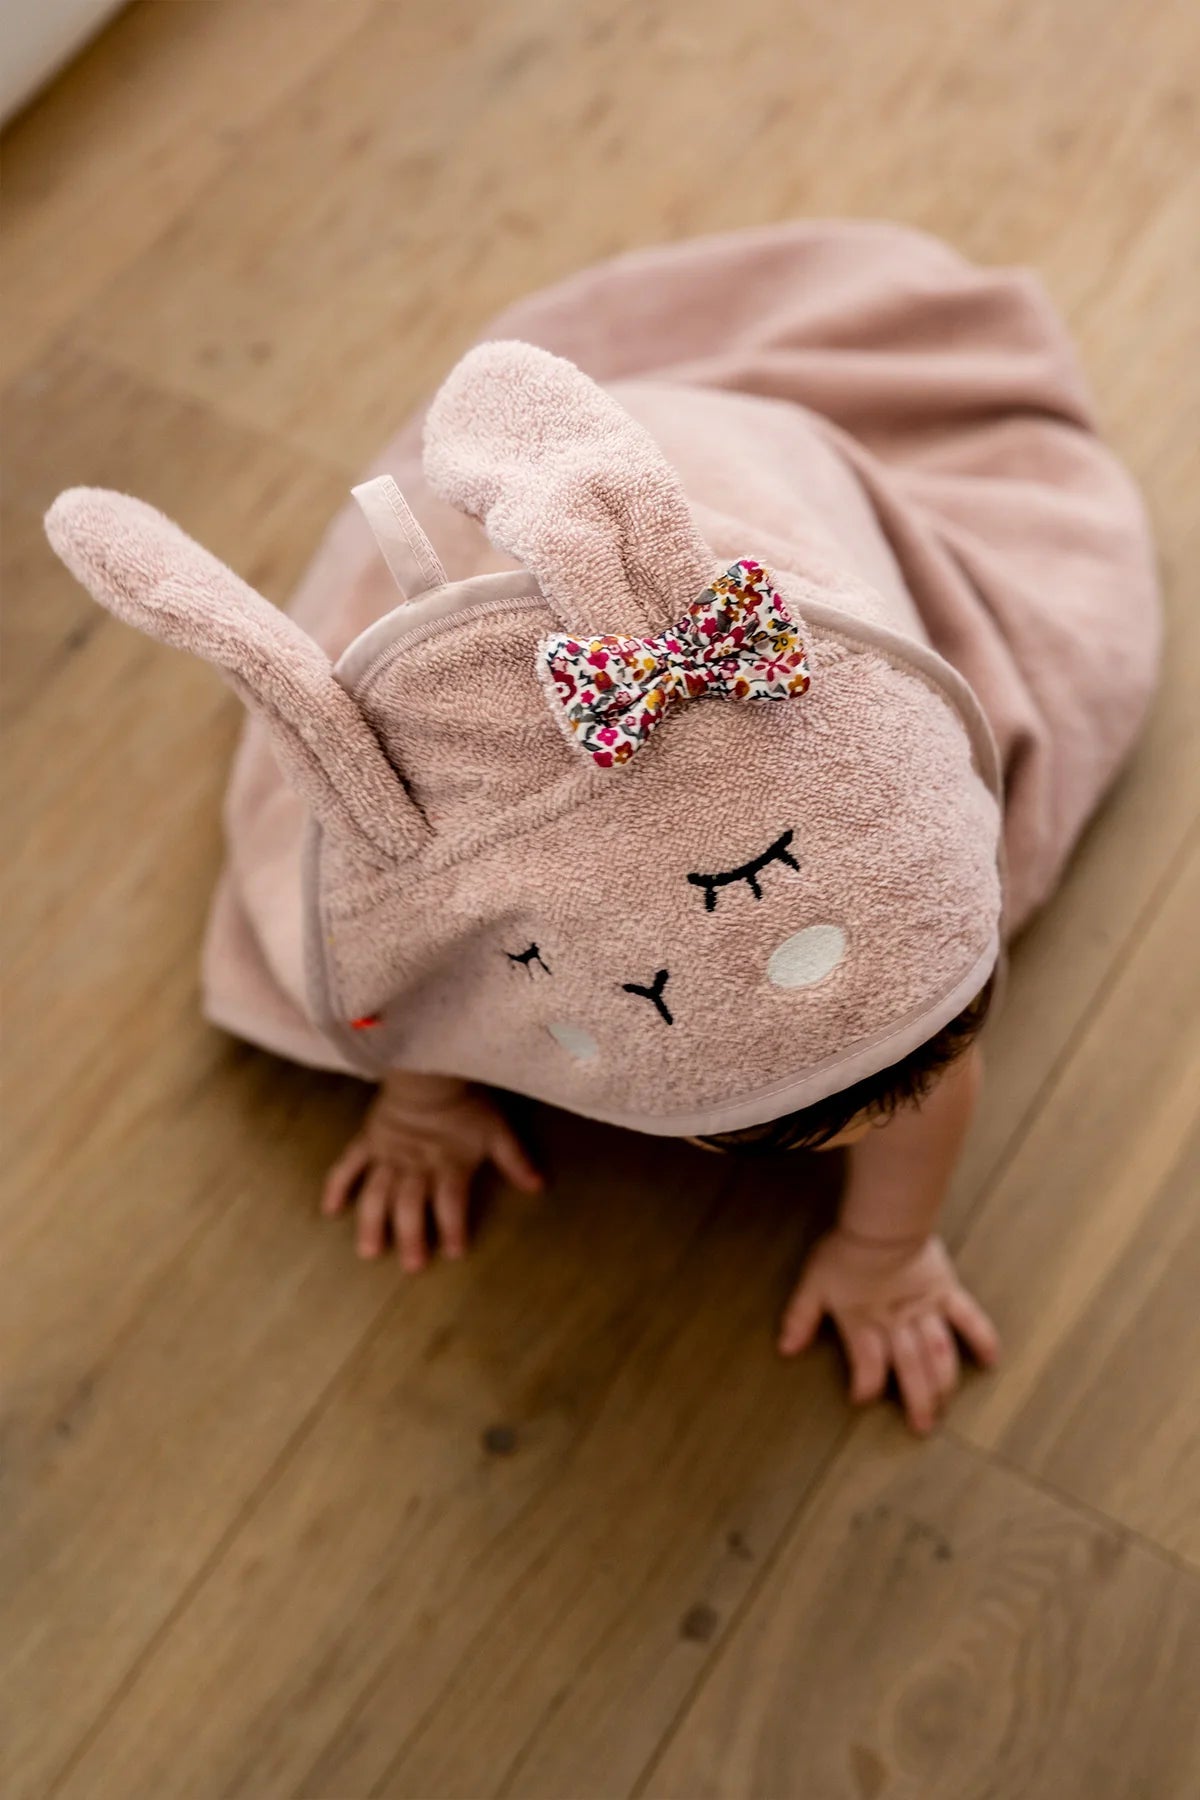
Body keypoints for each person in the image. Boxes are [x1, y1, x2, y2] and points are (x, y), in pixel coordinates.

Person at [45, 223, 1159, 1435]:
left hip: (703, 518)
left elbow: (924, 1081)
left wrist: (889, 1253)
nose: (896, 1110)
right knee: (394, 834)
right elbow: (430, 942)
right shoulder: (455, 845)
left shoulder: (913, 1018)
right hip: (498, 608)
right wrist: (424, 1098)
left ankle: (610, 466)